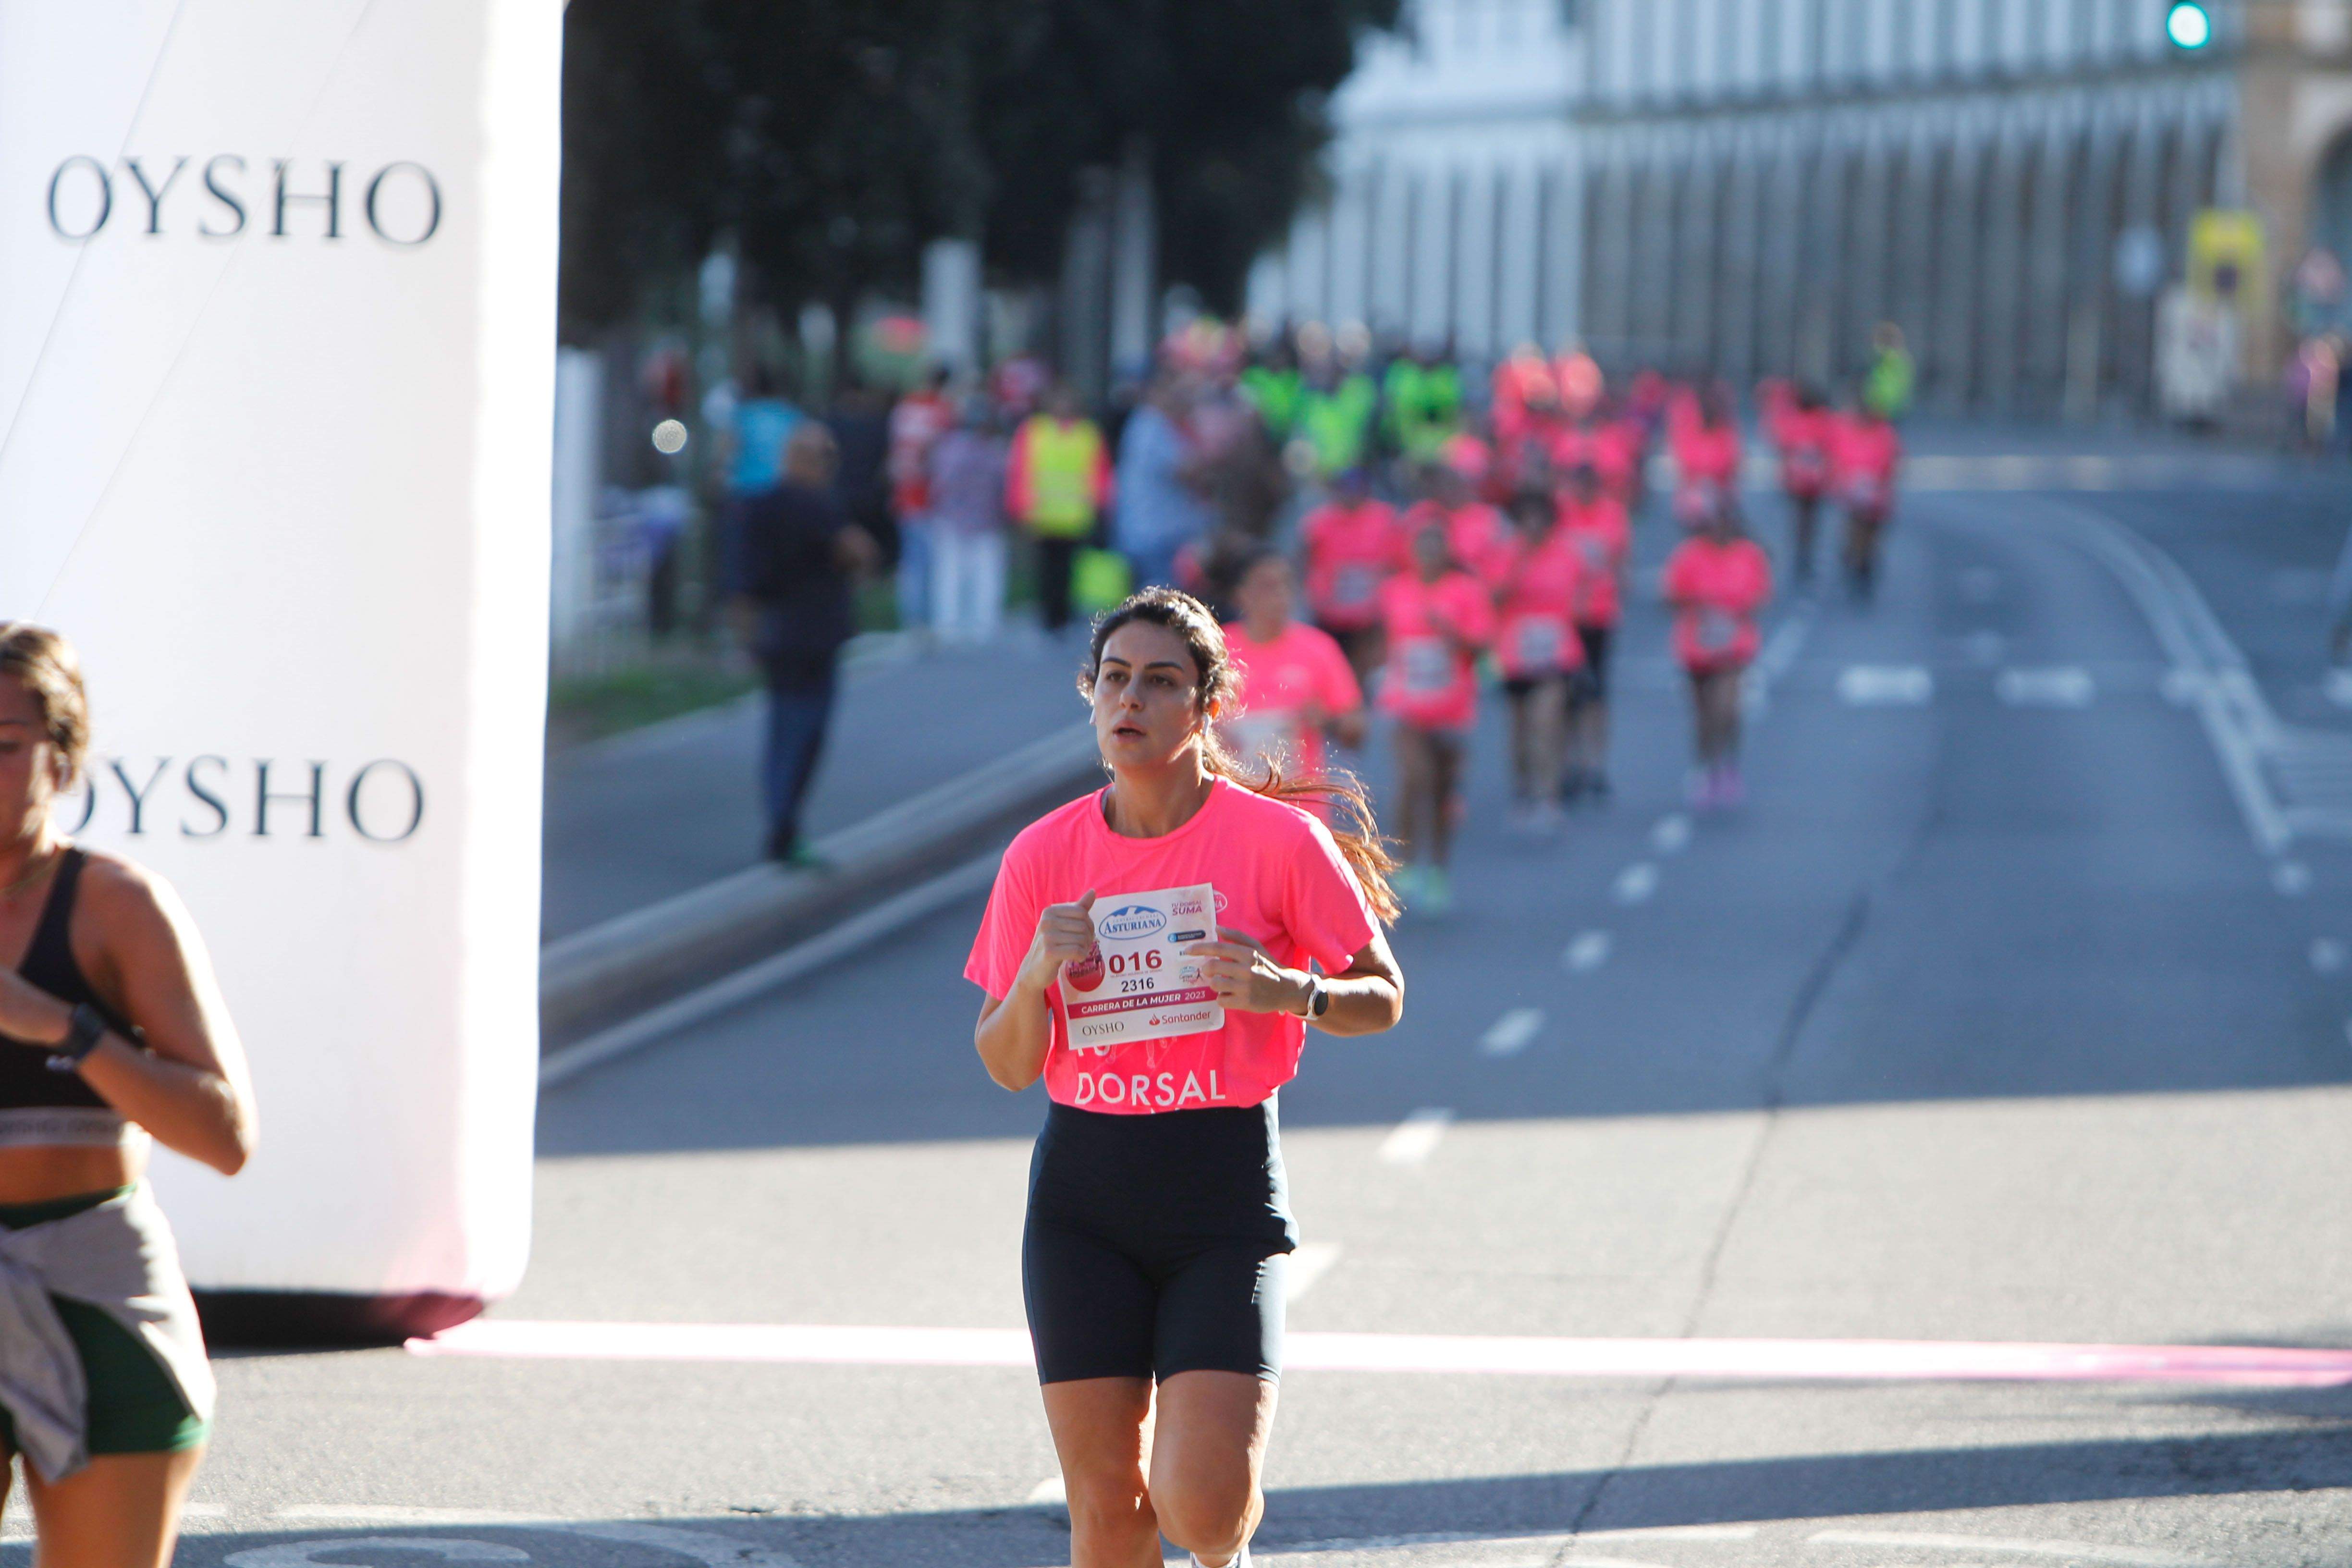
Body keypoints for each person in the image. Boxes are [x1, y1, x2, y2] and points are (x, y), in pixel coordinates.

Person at [967, 588, 1404, 1568]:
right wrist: (1038, 973)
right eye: (1115, 680)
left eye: (1163, 683)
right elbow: (1003, 1064)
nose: (1134, 701)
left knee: (1200, 1510)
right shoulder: (1044, 856)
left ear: (1208, 709)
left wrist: (1287, 990)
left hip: (1219, 1190)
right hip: (1086, 1196)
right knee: (1107, 1513)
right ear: (1090, 697)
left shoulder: (1278, 844)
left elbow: (1383, 995)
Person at [0, 624, 257, 1567]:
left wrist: (63, 1027)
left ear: (60, 756)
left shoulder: (115, 905)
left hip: (95, 1281)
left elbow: (227, 1136)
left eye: (6, 743)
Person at [729, 423, 882, 862]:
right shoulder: (818, 505)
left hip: (775, 632)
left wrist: (744, 636)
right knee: (807, 731)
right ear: (807, 460)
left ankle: (779, 817)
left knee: (780, 729)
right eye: (824, 457)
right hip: (816, 633)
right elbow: (860, 552)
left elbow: (742, 581)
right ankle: (784, 824)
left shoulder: (758, 506)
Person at [1379, 521, 1495, 913]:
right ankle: (1406, 864)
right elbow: (1386, 639)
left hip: (1452, 708)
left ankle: (1438, 870)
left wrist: (1451, 634)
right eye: (1421, 550)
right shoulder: (1396, 590)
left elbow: (1481, 647)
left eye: (1435, 550)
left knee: (1443, 791)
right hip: (1406, 704)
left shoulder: (1467, 591)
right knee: (1414, 778)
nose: (1428, 558)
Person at [1219, 552, 1367, 797]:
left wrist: (1326, 720)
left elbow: (1356, 729)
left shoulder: (1319, 648)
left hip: (1300, 804)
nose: (1279, 595)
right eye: (1267, 586)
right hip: (1235, 801)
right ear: (1241, 594)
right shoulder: (1218, 648)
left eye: (1286, 584)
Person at [1662, 504, 1773, 808]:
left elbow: (1761, 595)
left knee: (1728, 708)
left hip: (1734, 644)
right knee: (1703, 714)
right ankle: (1704, 766)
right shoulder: (1688, 554)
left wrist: (1732, 610)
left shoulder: (1749, 555)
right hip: (1696, 644)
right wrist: (1700, 607)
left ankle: (1728, 766)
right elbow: (1671, 595)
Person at [1490, 490, 1588, 833]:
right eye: (1526, 519)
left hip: (1555, 654)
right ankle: (1524, 790)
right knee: (1520, 731)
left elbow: (1581, 598)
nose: (1533, 526)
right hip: (1515, 654)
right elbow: (1494, 598)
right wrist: (1518, 565)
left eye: (1540, 519)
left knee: (1546, 724)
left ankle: (1549, 796)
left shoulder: (1567, 555)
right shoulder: (1506, 554)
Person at [1008, 384, 1114, 637]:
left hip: (1075, 515)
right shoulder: (1034, 431)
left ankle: (1063, 617)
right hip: (1043, 515)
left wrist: (1100, 504)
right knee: (1046, 570)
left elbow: (1099, 472)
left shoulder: (1088, 434)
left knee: (1069, 569)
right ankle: (1049, 618)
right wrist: (1021, 508)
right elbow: (1021, 470)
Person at [1558, 465, 1629, 802]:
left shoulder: (1612, 514)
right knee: (1567, 696)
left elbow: (1620, 561)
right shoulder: (1561, 513)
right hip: (1566, 615)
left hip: (1599, 614)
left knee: (1597, 693)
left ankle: (1595, 764)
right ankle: (1569, 763)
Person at [1298, 468, 1402, 687]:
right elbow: (1304, 560)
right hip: (1331, 613)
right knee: (1334, 666)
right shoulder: (1319, 523)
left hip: (1370, 614)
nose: (1351, 495)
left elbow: (1397, 562)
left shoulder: (1384, 519)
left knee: (1364, 667)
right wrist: (1314, 595)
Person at [925, 398, 1012, 646]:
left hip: (960, 520)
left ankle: (956, 623)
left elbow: (939, 484)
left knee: (956, 574)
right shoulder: (994, 451)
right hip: (974, 521)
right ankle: (975, 623)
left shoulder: (949, 449)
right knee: (976, 574)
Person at [1115, 376, 1214, 592]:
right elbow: (1187, 471)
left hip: (1164, 532)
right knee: (1161, 601)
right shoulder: (1152, 425)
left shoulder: (1162, 425)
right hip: (1156, 533)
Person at [887, 365, 958, 632]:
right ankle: (932, 617)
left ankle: (912, 618)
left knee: (912, 559)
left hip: (906, 491)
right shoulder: (944, 411)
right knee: (935, 560)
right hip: (936, 496)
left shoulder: (905, 408)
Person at [1832, 397, 1903, 601]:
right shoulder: (1847, 431)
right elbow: (1838, 458)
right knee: (1855, 533)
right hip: (1853, 494)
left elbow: (1891, 461)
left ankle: (1865, 570)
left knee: (1872, 538)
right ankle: (1855, 565)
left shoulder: (1884, 433)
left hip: (1877, 496)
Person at [1766, 383, 1836, 585]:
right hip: (1798, 477)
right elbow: (1783, 443)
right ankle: (1801, 550)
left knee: (1808, 517)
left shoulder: (1821, 419)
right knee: (1802, 516)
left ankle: (1805, 550)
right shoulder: (1795, 418)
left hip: (1814, 478)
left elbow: (1830, 447)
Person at [1668, 382, 1742, 531]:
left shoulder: (1725, 432)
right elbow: (1685, 461)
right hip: (1694, 493)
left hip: (1720, 492)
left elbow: (1731, 461)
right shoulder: (1689, 431)